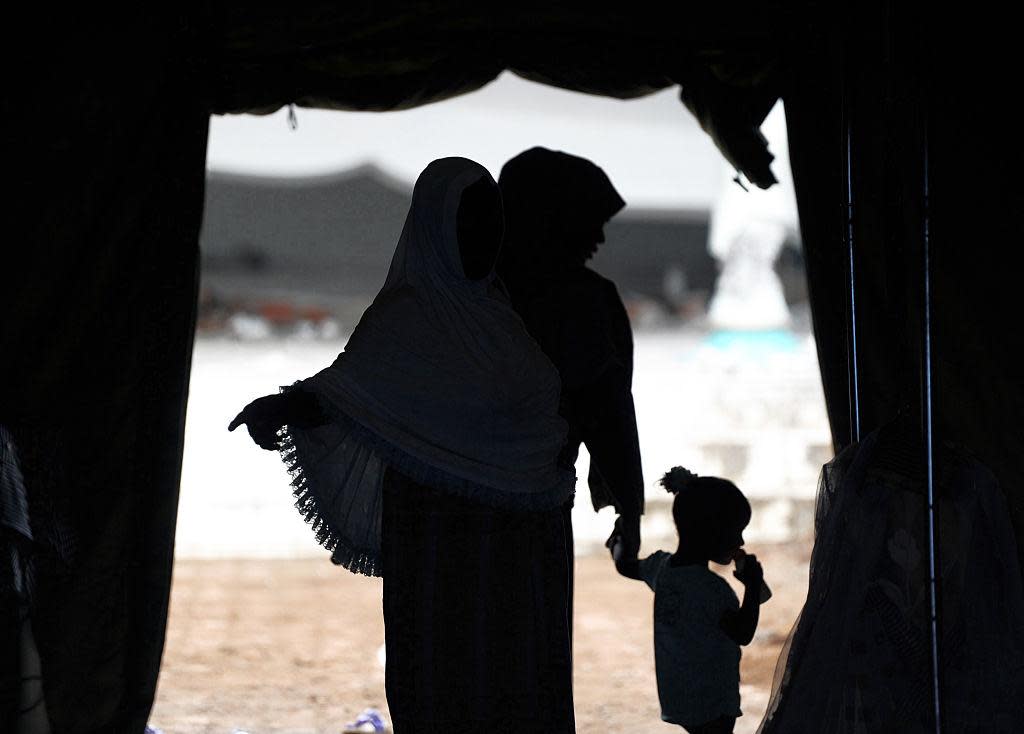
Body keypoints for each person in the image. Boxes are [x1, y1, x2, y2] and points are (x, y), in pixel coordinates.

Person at [229, 157, 576, 733]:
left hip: (523, 539)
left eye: (493, 221)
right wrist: (283, 407)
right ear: (437, 227)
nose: (486, 236)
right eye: (471, 221)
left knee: (519, 673)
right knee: (448, 675)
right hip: (443, 539)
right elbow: (356, 392)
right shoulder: (406, 320)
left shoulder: (503, 315)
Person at [496, 146, 644, 566]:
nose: (598, 239)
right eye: (588, 223)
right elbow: (608, 412)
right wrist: (628, 508)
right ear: (553, 221)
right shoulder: (588, 302)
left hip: (454, 511)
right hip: (539, 509)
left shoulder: (470, 295)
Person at [610, 467, 766, 734]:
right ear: (710, 533)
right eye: (735, 531)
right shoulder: (713, 589)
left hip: (678, 697)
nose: (740, 540)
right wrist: (752, 587)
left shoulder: (661, 569)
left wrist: (619, 540)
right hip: (713, 701)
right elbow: (743, 632)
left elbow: (626, 566)